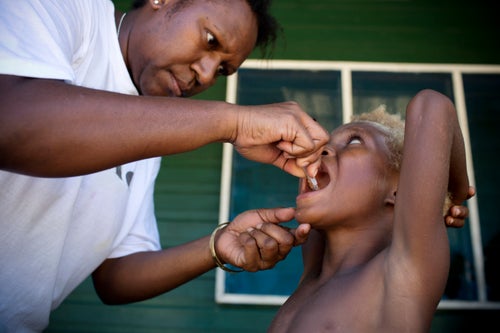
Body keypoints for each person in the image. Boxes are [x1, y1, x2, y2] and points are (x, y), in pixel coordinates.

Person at [0, 0, 330, 332]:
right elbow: (11, 120)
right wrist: (234, 122)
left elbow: (115, 276)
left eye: (221, 70)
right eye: (211, 40)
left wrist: (217, 246)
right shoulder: (70, 9)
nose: (205, 75)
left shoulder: (150, 133)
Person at [267, 89, 475, 333]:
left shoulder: (401, 273)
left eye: (354, 141)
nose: (320, 151)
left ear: (399, 191)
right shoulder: (314, 271)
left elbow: (432, 104)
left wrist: (455, 193)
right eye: (324, 144)